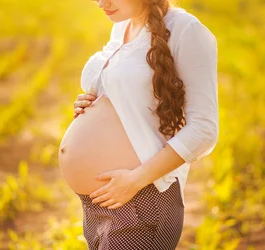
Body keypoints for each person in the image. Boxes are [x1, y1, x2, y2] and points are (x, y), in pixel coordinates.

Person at [58, 0, 218, 249]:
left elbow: (204, 130)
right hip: (101, 202)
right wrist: (92, 104)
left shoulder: (187, 31)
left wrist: (135, 180)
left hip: (140, 200)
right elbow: (130, 99)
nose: (101, 3)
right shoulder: (123, 26)